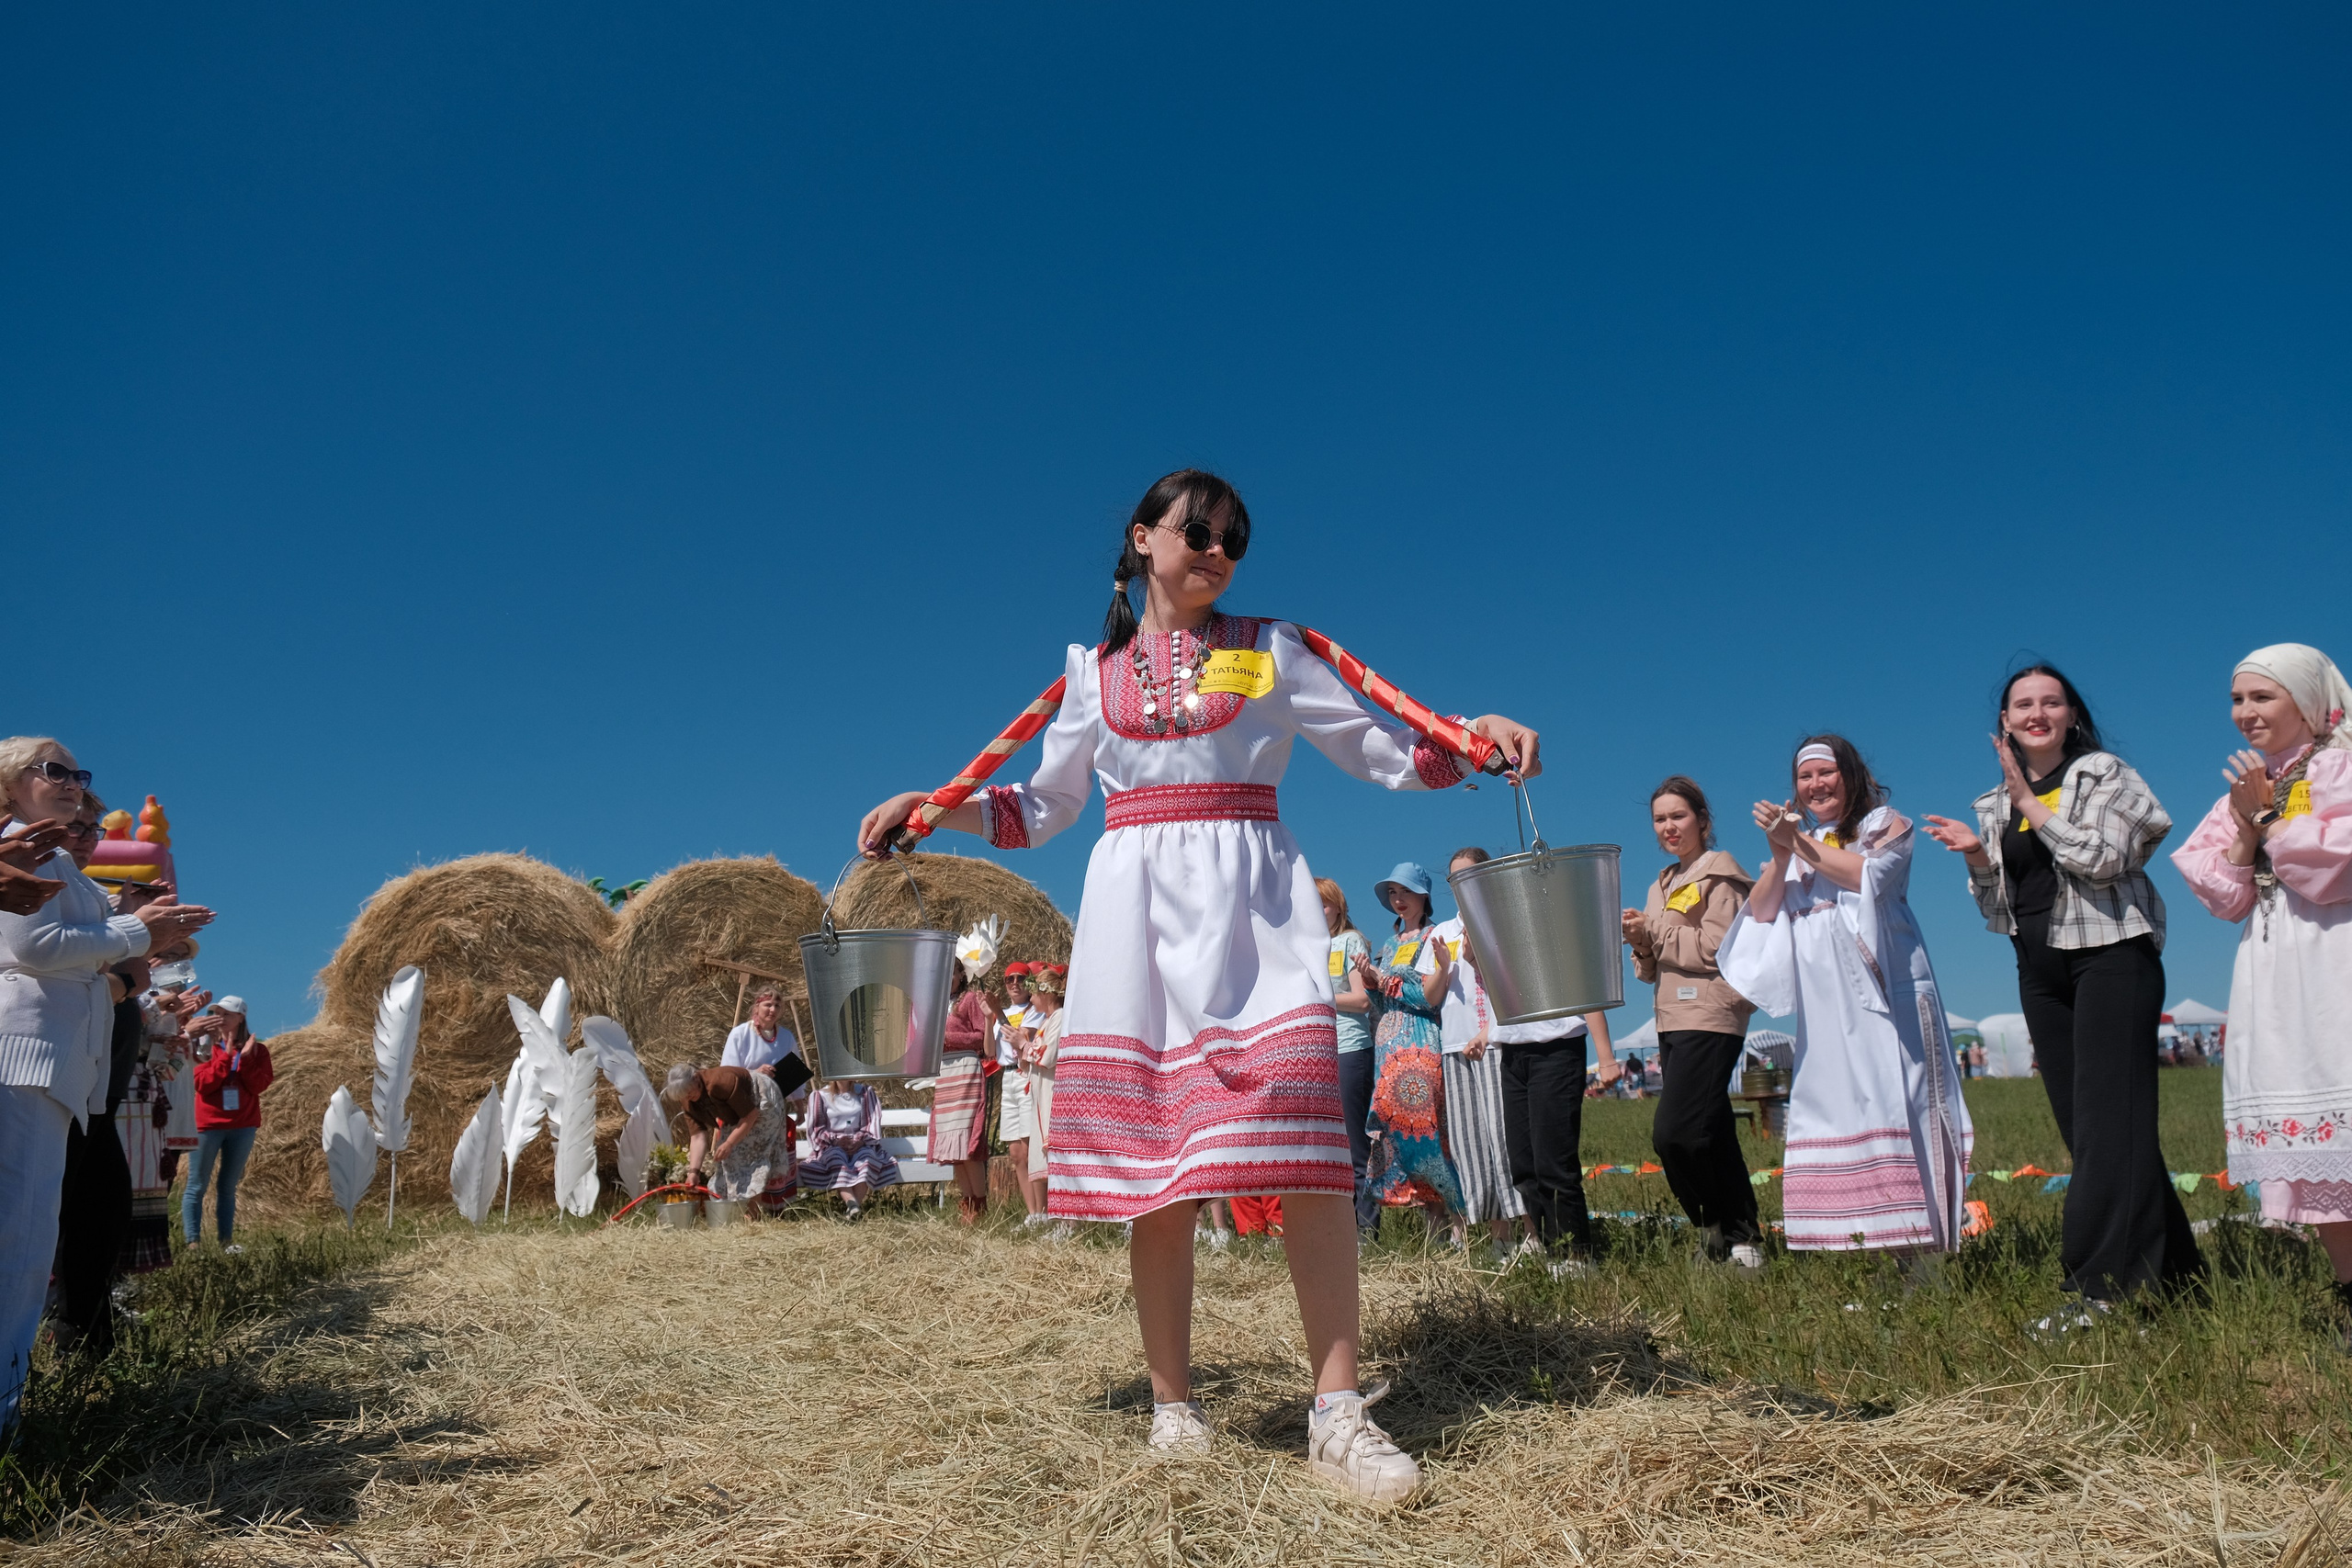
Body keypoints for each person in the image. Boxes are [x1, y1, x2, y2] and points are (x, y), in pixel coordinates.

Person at [854, 468, 1540, 1499]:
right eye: (1198, 530)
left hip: (1254, 908)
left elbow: (1373, 747)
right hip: (1135, 916)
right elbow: (1043, 805)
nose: (1216, 549)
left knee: (1308, 1151)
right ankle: (1174, 1408)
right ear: (1143, 539)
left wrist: (1469, 737)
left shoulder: (1268, 654)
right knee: (1157, 1174)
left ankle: (1337, 1412)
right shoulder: (1093, 676)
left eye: (1233, 537)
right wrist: (936, 807)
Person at [1922, 665, 2203, 1312]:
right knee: (2094, 1132)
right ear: (2005, 721)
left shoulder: (2104, 775)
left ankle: (2099, 1289)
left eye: (2052, 701)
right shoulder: (1992, 805)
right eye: (2023, 704)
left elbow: (2106, 857)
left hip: (2110, 957)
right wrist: (1975, 856)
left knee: (2110, 1126)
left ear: (2072, 714)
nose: (2037, 712)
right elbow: (1999, 911)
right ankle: (2182, 1282)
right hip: (2040, 969)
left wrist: (2031, 804)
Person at [1, 739, 209, 1432]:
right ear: (10, 783)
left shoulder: (46, 855)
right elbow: (34, 950)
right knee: (22, 1244)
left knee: (32, 1241)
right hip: (29, 1056)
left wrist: (134, 942)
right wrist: (136, 933)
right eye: (52, 770)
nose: (71, 784)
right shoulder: (23, 847)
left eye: (78, 774)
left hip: (58, 1064)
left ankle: (16, 1398)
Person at [1718, 736, 1973, 1258]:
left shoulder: (1883, 824)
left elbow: (1867, 876)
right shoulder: (1798, 842)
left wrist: (1799, 844)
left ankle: (1927, 1261)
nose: (1815, 785)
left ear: (1851, 776)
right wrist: (1779, 851)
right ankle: (1872, 1253)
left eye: (1826, 773)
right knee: (1840, 1112)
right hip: (1827, 1009)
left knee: (1904, 1104)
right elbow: (1763, 912)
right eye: (1805, 778)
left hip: (1889, 995)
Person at [2171, 643, 2352, 1345]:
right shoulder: (2244, 790)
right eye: (2237, 700)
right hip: (2276, 975)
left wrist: (2270, 823)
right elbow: (2221, 892)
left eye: (2261, 697)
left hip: (2336, 960)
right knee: (2317, 1159)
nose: (2245, 713)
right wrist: (2248, 830)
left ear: (2306, 701)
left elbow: (2333, 865)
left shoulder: (2340, 768)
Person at [1621, 779, 1762, 1269]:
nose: (1668, 827)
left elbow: (1720, 949)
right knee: (1713, 1130)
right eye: (1660, 820)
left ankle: (1710, 1226)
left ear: (1703, 820)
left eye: (1677, 816)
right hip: (1672, 1017)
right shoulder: (1659, 884)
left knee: (1674, 1133)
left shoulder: (1721, 877)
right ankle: (1743, 1237)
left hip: (1712, 1014)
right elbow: (1650, 970)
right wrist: (1640, 943)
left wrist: (1653, 932)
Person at [1428, 851, 1535, 1259]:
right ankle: (1498, 1235)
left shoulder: (1503, 918)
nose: (1463, 882)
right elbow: (1431, 996)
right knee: (1471, 1144)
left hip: (1496, 1040)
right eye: (1455, 877)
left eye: (1471, 874)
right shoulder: (1443, 931)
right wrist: (1442, 966)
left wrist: (1489, 1029)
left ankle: (1532, 1231)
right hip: (1455, 1045)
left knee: (1505, 1137)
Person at [1361, 863, 1468, 1248]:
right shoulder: (1388, 945)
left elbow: (1425, 996)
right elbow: (1379, 1000)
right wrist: (1371, 982)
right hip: (1389, 1043)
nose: (1398, 899)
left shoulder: (1432, 936)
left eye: (1404, 891)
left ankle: (1457, 1222)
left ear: (1424, 896)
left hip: (1420, 1041)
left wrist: (1384, 981)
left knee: (1430, 1132)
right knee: (1401, 1135)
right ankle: (1433, 1224)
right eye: (1392, 893)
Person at [929, 924, 1003, 1225]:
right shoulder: (935, 1006)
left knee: (968, 1144)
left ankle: (980, 1204)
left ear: (961, 976)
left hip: (966, 1071)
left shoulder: (970, 1000)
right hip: (945, 1074)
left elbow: (981, 1041)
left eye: (953, 972)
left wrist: (949, 1041)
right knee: (953, 1146)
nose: (948, 977)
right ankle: (966, 1201)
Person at [1317, 878, 1378, 1241]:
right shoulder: (1309, 946)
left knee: (1356, 1143)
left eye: (1323, 904)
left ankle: (1367, 1231)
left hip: (1349, 1048)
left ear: (1338, 907)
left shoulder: (1349, 942)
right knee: (1330, 1147)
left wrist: (1319, 998)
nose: (1317, 911)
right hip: (1318, 1054)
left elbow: (1361, 1000)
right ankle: (1340, 1232)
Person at [664, 1062, 800, 1213]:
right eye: (684, 1096)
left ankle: (752, 1215)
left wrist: (729, 1143)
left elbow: (750, 1115)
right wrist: (693, 1172)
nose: (689, 1098)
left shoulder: (720, 1082)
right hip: (738, 1114)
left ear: (696, 1078)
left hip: (762, 1100)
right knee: (725, 1160)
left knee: (751, 1155)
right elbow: (697, 1136)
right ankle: (731, 1212)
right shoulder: (686, 1099)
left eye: (690, 1093)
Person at [797, 1078, 899, 1219]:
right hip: (832, 1144)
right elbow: (816, 1129)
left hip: (860, 1141)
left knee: (866, 1159)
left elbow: (872, 1122)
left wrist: (861, 1140)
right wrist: (835, 1140)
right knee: (836, 1159)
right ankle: (852, 1204)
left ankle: (853, 1210)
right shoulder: (820, 1095)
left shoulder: (864, 1093)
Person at [997, 963, 1048, 1223]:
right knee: (1016, 1153)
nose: (1014, 983)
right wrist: (989, 1018)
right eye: (1009, 979)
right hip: (1007, 1076)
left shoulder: (1035, 1010)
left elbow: (1020, 1038)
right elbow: (989, 1049)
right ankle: (1032, 1214)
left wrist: (995, 1013)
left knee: (1032, 1147)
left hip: (1025, 1073)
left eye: (1020, 978)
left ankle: (1043, 1211)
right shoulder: (1002, 1012)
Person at [720, 987, 801, 1079]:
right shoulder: (740, 1034)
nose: (773, 1010)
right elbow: (727, 1073)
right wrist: (755, 1073)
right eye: (768, 1005)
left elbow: (796, 1074)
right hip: (747, 1092)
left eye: (777, 1006)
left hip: (779, 1093)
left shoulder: (786, 1037)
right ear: (757, 1007)